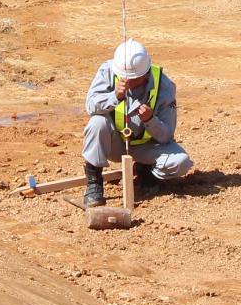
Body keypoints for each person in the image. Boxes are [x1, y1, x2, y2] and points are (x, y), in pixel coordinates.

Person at [81, 38, 193, 209]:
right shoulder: (107, 71)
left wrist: (150, 120)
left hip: (147, 147)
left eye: (134, 79)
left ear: (145, 73)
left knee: (180, 162)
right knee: (97, 122)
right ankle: (94, 183)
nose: (128, 82)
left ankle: (146, 171)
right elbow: (91, 106)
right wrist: (114, 97)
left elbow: (166, 136)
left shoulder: (164, 86)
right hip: (115, 144)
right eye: (125, 77)